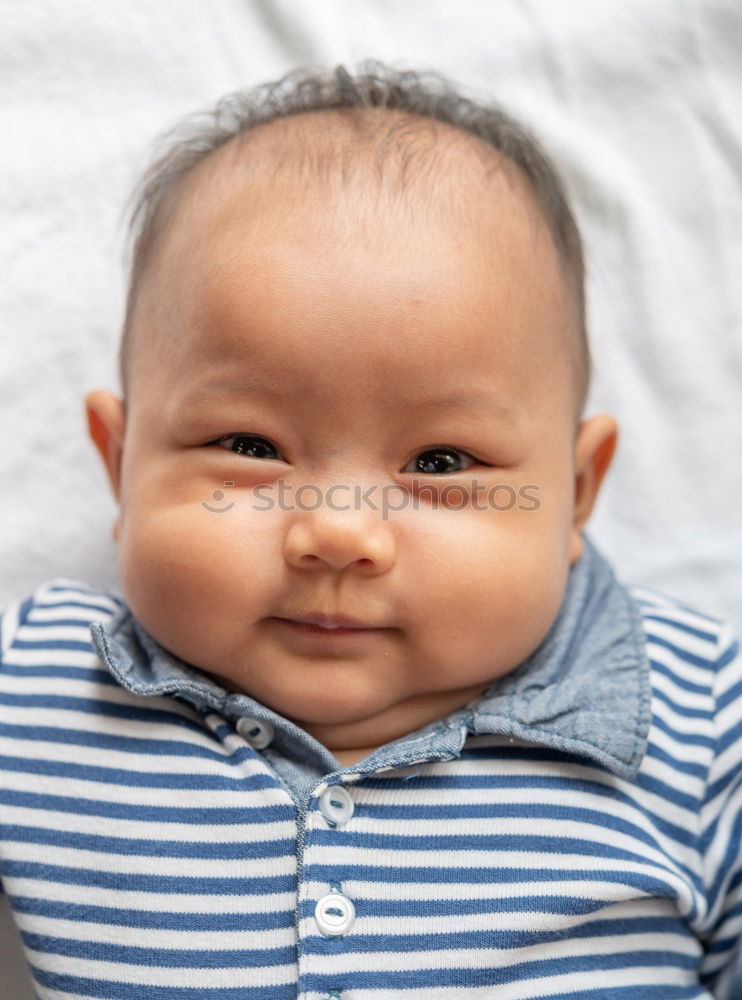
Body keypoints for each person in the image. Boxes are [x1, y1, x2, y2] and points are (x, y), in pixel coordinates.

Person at [1, 62, 740, 999]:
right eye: (250, 444)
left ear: (576, 492)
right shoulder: (37, 685)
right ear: (118, 465)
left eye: (439, 464)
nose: (339, 534)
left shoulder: (706, 721)